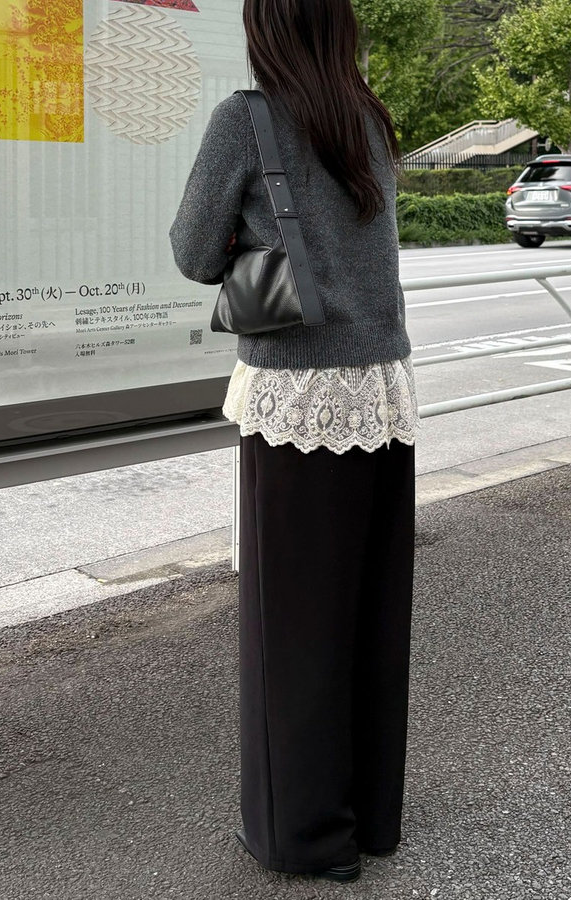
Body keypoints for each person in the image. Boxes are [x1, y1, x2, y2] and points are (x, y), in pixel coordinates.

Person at [169, 0, 418, 884]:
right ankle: (370, 819)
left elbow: (194, 251)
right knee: (369, 615)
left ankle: (306, 836)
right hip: (380, 390)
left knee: (294, 625)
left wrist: (247, 231)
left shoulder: (246, 118)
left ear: (266, 27)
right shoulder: (367, 116)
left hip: (299, 397)